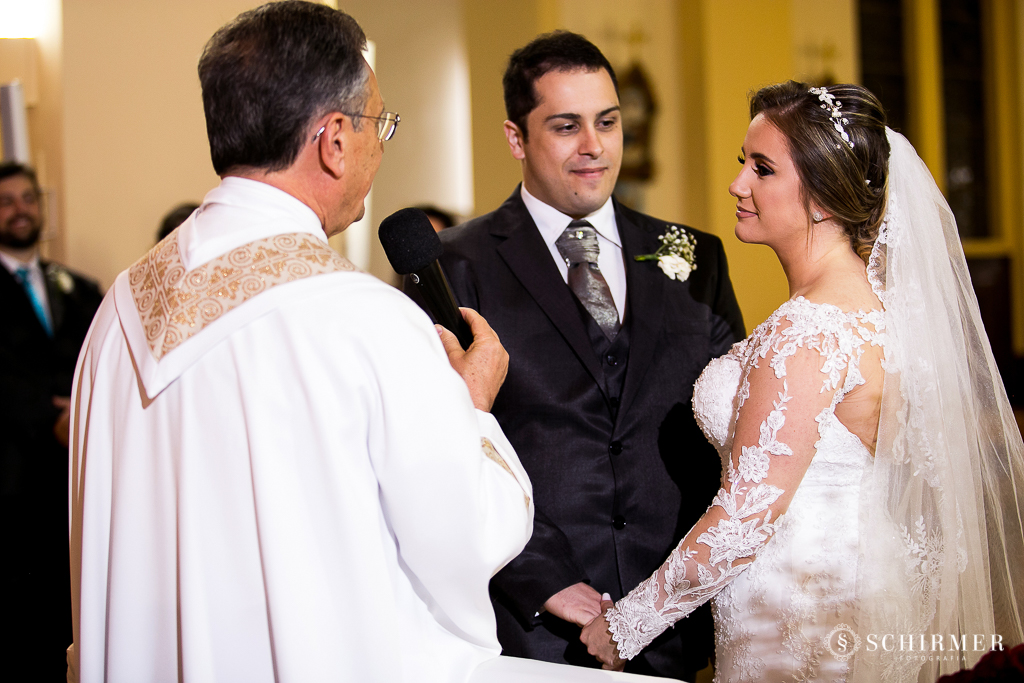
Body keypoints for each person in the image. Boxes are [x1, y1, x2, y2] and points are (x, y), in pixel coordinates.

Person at [67, 3, 535, 682]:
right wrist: (473, 409)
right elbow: (467, 534)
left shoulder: (120, 309)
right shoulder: (365, 318)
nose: (380, 145)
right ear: (334, 139)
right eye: (380, 122)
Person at [581, 81, 1024, 682]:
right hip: (851, 586)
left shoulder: (809, 330)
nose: (737, 184)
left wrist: (624, 627)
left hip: (799, 615)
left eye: (762, 169)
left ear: (821, 198)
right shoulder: (872, 306)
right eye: (744, 162)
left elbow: (744, 517)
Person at [413, 31, 744, 678]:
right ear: (516, 138)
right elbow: (441, 446)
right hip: (531, 629)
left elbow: (736, 432)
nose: (594, 145)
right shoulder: (454, 265)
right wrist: (541, 579)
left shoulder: (694, 254)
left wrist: (672, 596)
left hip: (673, 622)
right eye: (567, 126)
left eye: (607, 122)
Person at [0, 162, 103, 676]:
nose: (20, 210)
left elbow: (101, 355)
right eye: (6, 201)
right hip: (13, 481)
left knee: (71, 614)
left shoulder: (78, 287)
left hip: (73, 478)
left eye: (28, 198)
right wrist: (52, 417)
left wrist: (82, 410)